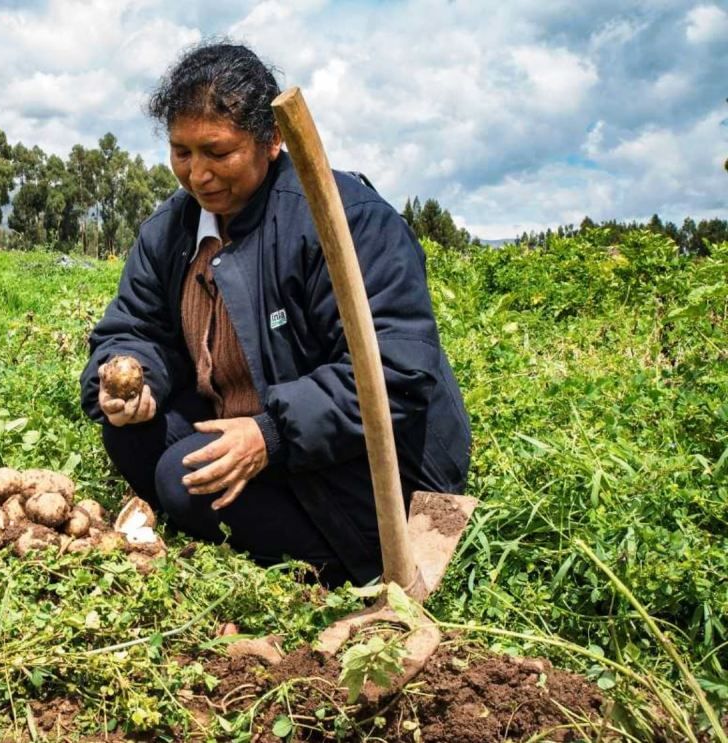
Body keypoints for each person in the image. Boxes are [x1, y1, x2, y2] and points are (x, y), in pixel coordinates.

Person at [79, 42, 471, 587]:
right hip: (252, 419)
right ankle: (247, 529)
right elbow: (135, 327)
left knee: (180, 479)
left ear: (272, 141)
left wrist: (269, 435)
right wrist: (129, 374)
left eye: (218, 152)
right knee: (130, 434)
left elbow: (394, 371)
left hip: (365, 463)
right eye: (182, 152)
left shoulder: (344, 221)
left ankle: (335, 563)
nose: (198, 175)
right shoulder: (170, 231)